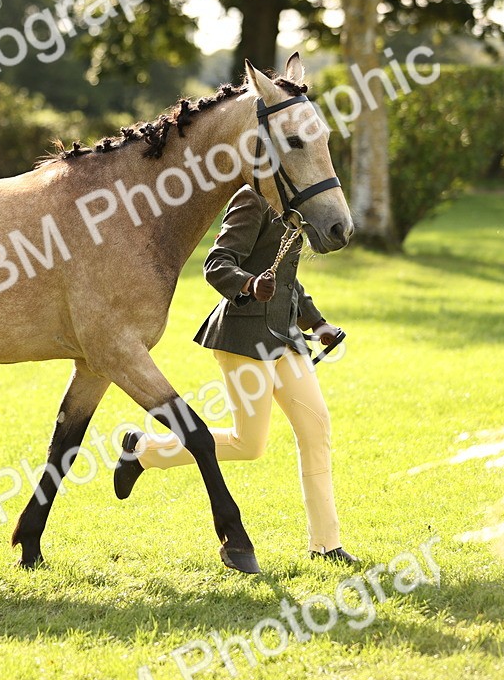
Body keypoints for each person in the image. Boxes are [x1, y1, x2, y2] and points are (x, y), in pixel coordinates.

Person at [113, 185, 357, 562]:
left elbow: (288, 281)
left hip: (286, 337)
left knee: (316, 428)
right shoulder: (251, 199)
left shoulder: (294, 208)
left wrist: (318, 323)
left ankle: (326, 545)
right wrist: (248, 284)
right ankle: (142, 451)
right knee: (249, 444)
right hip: (243, 338)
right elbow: (217, 263)